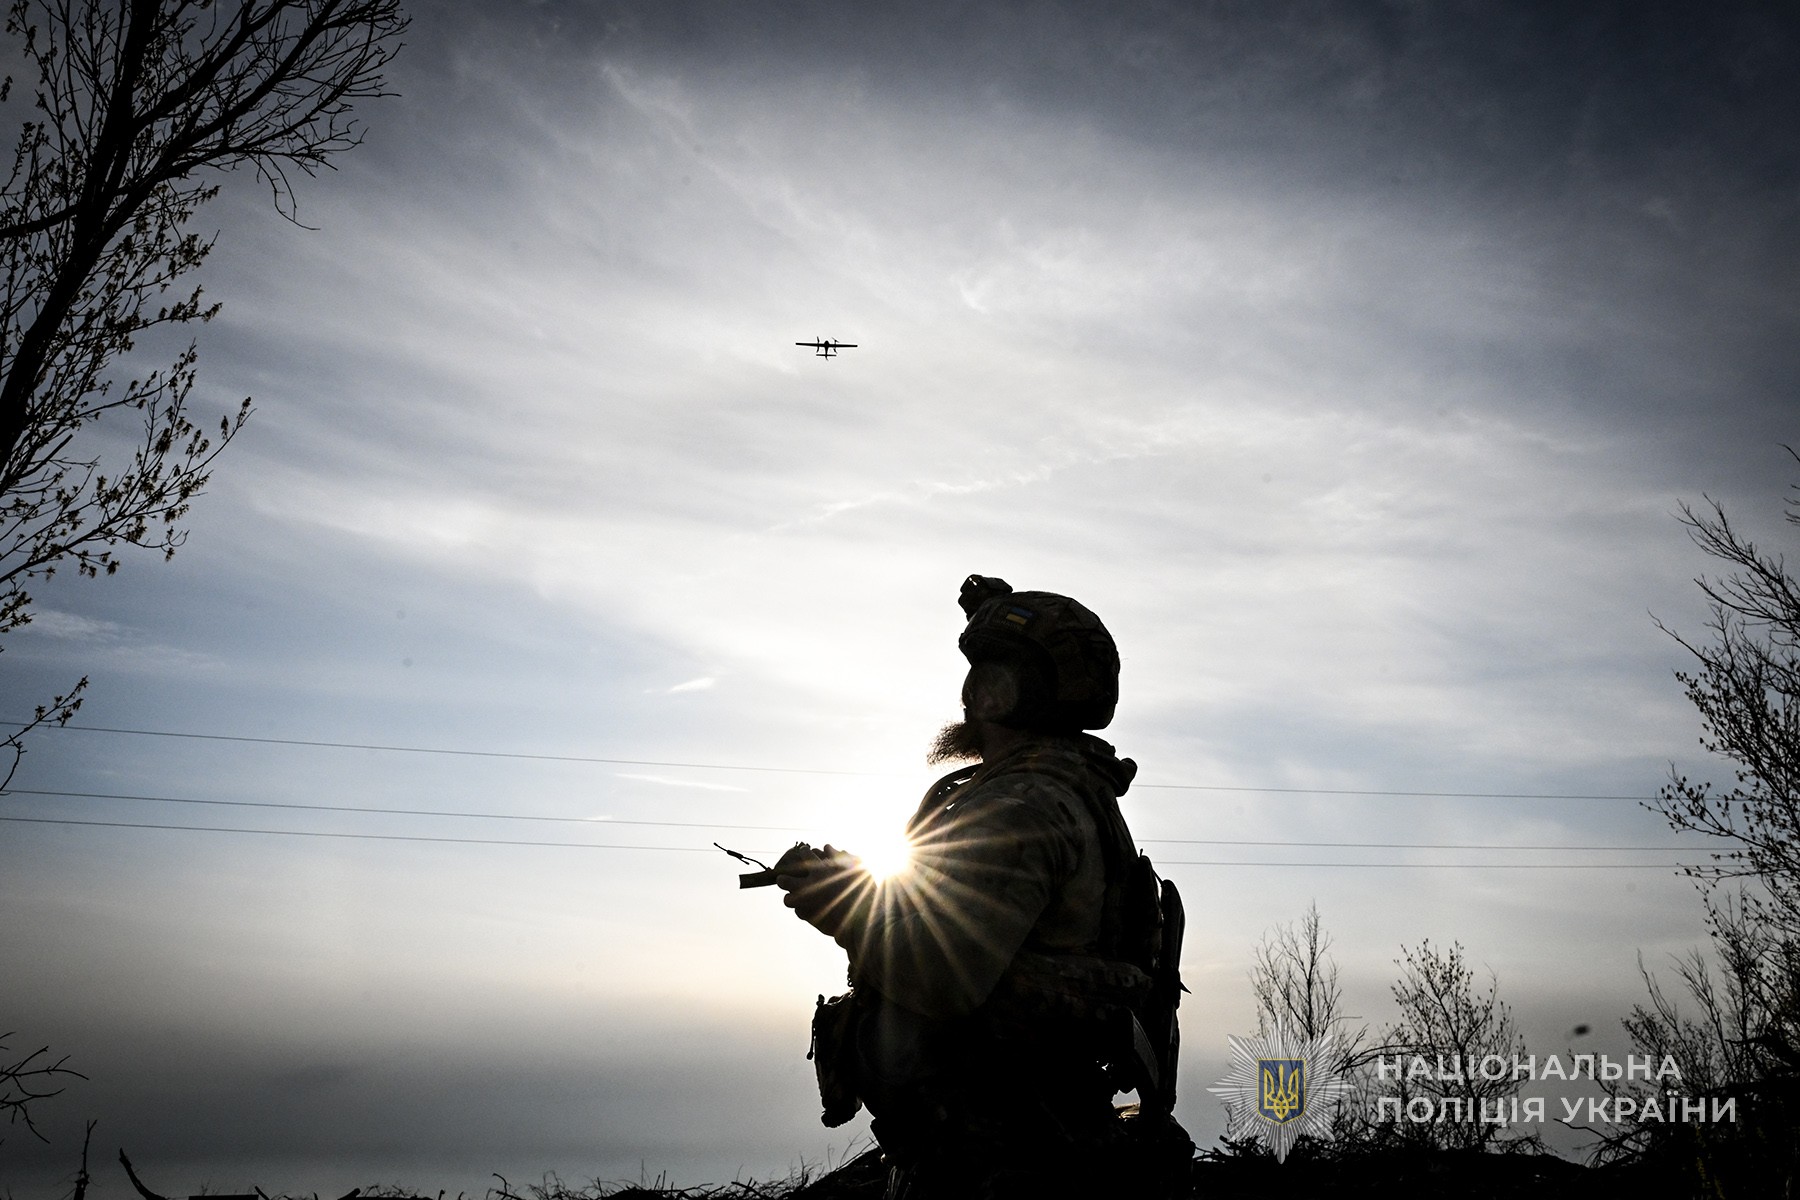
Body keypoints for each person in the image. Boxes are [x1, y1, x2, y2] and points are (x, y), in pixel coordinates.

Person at [775, 575, 1191, 1200]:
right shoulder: (1064, 794)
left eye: (987, 674)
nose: (969, 694)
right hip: (1032, 1144)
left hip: (1000, 1165)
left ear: (1008, 694)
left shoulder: (1022, 808)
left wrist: (839, 903)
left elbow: (944, 974)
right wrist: (860, 883)